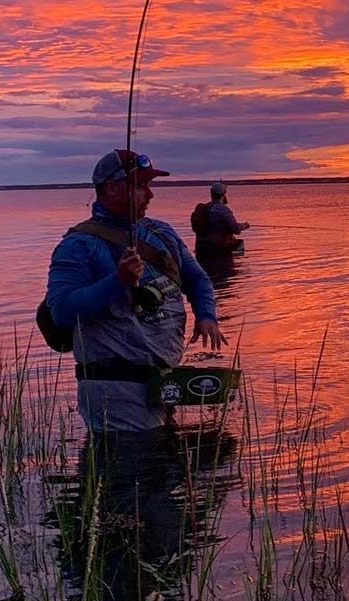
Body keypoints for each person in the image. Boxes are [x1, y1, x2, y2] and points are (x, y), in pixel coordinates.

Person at [47, 149, 226, 433]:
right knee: (134, 470)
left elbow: (197, 279)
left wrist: (206, 315)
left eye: (149, 185)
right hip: (114, 390)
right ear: (112, 188)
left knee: (166, 470)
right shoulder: (78, 245)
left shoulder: (161, 232)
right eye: (140, 185)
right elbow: (62, 312)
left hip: (163, 385)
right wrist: (117, 280)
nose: (150, 194)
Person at [197, 182, 251, 254]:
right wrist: (245, 225)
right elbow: (235, 229)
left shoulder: (206, 208)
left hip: (202, 248)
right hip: (218, 249)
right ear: (223, 195)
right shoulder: (222, 209)